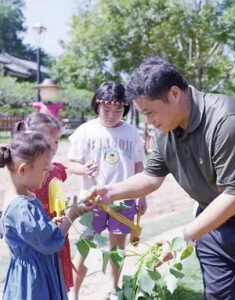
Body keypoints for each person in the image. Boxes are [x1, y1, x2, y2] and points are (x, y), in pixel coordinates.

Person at [86, 56, 235, 300]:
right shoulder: (166, 127)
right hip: (212, 222)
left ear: (174, 94)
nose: (149, 121)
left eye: (150, 112)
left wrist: (181, 238)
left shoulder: (227, 121)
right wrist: (109, 192)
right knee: (217, 296)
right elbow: (151, 177)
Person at [67, 81, 147, 300]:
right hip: (92, 201)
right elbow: (72, 164)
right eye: (107, 110)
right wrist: (83, 168)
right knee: (86, 246)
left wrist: (142, 196)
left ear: (125, 109)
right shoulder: (86, 130)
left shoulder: (131, 132)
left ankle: (113, 288)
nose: (112, 115)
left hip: (125, 200)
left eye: (118, 110)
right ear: (96, 106)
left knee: (117, 247)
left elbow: (140, 168)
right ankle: (73, 293)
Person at [0, 130, 98, 300]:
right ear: (23, 169)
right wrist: (71, 216)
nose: (48, 174)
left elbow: (32, 235)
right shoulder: (22, 208)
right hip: (35, 281)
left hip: (33, 273)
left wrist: (51, 224)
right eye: (45, 168)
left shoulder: (23, 198)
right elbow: (50, 243)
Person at [13, 112, 74, 293]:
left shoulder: (53, 169)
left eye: (56, 141)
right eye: (48, 141)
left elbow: (66, 172)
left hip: (55, 229)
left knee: (57, 281)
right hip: (40, 237)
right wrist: (72, 216)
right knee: (41, 285)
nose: (53, 147)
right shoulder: (27, 174)